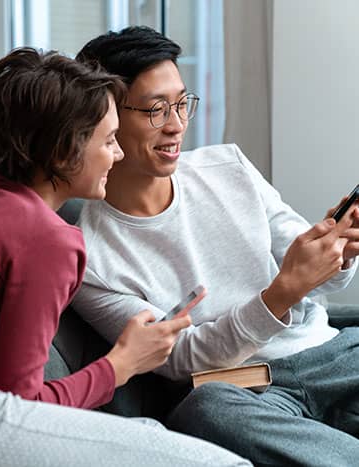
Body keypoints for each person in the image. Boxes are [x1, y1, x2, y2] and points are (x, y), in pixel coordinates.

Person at [0, 47, 250, 466]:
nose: (118, 154)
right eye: (108, 141)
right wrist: (122, 363)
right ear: (63, 151)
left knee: (149, 433)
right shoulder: (48, 237)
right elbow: (24, 403)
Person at [72, 25, 359, 466]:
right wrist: (280, 294)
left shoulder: (229, 167)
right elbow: (179, 359)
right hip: (248, 389)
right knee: (207, 410)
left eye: (181, 103)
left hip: (330, 355)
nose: (176, 125)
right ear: (104, 116)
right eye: (156, 110)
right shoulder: (91, 256)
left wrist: (339, 250)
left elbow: (318, 277)